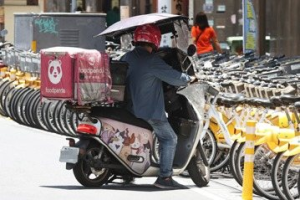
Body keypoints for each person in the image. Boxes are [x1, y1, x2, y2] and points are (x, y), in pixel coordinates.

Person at [121, 24, 194, 189]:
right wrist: (190, 79)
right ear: (155, 40)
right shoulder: (152, 61)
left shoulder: (127, 57)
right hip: (148, 111)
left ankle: (128, 173)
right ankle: (165, 177)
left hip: (129, 109)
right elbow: (175, 78)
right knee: (169, 138)